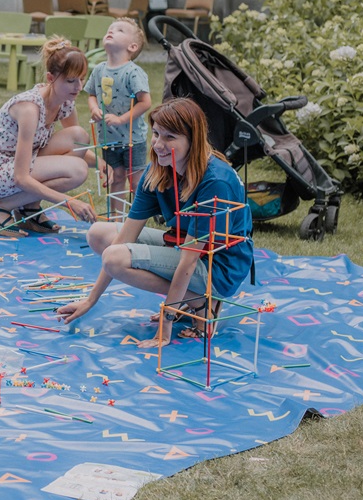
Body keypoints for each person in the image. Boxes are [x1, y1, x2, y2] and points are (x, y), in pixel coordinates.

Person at [55, 97, 254, 347]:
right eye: (156, 134)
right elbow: (124, 238)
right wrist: (90, 300)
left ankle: (202, 303)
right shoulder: (158, 171)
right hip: (184, 245)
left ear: (193, 140)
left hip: (220, 266)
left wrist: (166, 323)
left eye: (170, 137)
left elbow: (188, 262)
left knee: (115, 259)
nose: (158, 144)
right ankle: (193, 299)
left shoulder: (216, 183)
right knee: (98, 235)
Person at [0, 38, 99, 237]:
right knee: (78, 170)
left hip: (17, 162)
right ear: (50, 78)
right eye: (71, 80)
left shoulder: (65, 100)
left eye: (82, 79)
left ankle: (28, 209)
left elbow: (77, 148)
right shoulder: (29, 109)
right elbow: (20, 177)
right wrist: (69, 202)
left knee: (79, 136)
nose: (79, 87)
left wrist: (105, 166)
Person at [85, 18, 152, 201]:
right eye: (110, 29)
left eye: (120, 30)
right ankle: (116, 216)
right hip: (108, 137)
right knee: (115, 178)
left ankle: (138, 215)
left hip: (132, 138)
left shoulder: (133, 72)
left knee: (136, 181)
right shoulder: (98, 70)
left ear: (132, 47)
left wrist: (121, 119)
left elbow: (145, 102)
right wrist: (94, 108)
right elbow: (91, 94)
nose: (112, 31)